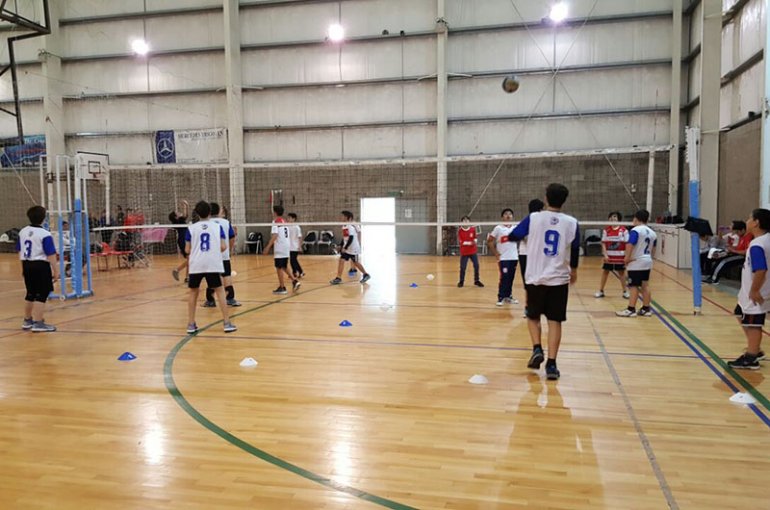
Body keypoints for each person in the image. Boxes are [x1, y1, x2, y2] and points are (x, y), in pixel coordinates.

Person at [507, 183, 580, 380]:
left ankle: (537, 348)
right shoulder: (572, 222)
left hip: (535, 277)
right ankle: (552, 364)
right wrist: (573, 270)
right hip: (558, 279)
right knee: (555, 321)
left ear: (546, 198)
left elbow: (513, 235)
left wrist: (528, 238)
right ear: (564, 200)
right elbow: (575, 248)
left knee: (533, 316)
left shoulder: (533, 218)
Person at [184, 200, 236, 334]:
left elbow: (187, 250)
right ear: (210, 213)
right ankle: (226, 323)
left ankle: (190, 324)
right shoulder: (217, 227)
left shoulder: (191, 228)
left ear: (197, 213)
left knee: (193, 293)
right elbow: (224, 246)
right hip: (212, 263)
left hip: (196, 264)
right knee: (219, 291)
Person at [728, 208, 770, 369]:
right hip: (750, 290)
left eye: (749, 218)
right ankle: (755, 348)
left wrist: (754, 290)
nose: (747, 221)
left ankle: (752, 357)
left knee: (754, 324)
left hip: (756, 291)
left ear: (756, 222)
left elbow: (761, 269)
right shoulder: (765, 240)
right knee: (739, 312)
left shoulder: (757, 244)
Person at [17, 205, 59, 332]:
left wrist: (22, 267)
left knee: (30, 293)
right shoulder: (44, 234)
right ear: (43, 218)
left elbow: (20, 250)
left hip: (27, 264)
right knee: (42, 294)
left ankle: (27, 320)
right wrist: (56, 270)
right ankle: (38, 323)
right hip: (40, 265)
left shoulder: (22, 231)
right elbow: (50, 253)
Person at [616, 210, 657, 318]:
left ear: (635, 218)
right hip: (647, 260)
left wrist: (627, 258)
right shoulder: (652, 232)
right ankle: (646, 308)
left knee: (633, 285)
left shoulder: (635, 231)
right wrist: (649, 258)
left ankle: (631, 309)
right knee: (645, 284)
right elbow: (654, 248)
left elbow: (630, 244)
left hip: (636, 261)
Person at [204, 202, 240, 307]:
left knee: (211, 277)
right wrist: (230, 249)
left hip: (210, 256)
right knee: (226, 275)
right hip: (224, 254)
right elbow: (232, 237)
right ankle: (230, 298)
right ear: (219, 211)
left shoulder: (205, 223)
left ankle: (210, 300)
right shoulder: (225, 222)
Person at [263, 205, 300, 295]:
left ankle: (282, 287)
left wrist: (267, 247)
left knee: (279, 267)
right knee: (284, 265)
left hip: (280, 247)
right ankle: (294, 281)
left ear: (275, 212)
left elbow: (275, 235)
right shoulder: (284, 221)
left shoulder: (275, 221)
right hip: (286, 246)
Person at [487, 208, 519, 306]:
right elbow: (490, 241)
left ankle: (508, 296)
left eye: (510, 214)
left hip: (514, 257)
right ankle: (501, 297)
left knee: (511, 277)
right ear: (502, 217)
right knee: (504, 277)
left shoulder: (516, 227)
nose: (508, 215)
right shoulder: (498, 228)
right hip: (503, 258)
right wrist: (496, 253)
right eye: (506, 214)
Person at [595, 211, 630, 299]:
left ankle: (625, 291)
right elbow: (603, 243)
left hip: (620, 257)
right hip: (609, 257)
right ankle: (601, 291)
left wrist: (626, 256)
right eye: (611, 217)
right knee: (605, 272)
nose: (612, 218)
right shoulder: (606, 230)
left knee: (621, 273)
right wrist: (605, 255)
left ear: (619, 219)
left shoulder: (624, 230)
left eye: (614, 217)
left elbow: (627, 244)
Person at [330, 210, 371, 285]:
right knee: (341, 260)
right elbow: (345, 238)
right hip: (347, 248)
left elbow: (351, 238)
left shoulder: (350, 226)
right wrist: (341, 245)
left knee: (356, 263)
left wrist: (345, 247)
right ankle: (338, 278)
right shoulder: (344, 226)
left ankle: (366, 274)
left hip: (353, 248)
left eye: (342, 216)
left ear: (346, 217)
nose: (340, 217)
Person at [457, 216, 483, 288]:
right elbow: (461, 242)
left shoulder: (472, 229)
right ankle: (461, 281)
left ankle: (476, 281)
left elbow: (475, 238)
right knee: (463, 267)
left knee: (476, 265)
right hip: (464, 252)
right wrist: (469, 243)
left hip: (473, 251)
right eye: (464, 220)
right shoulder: (460, 231)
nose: (466, 222)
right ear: (461, 222)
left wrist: (474, 241)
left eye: (467, 220)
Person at [170, 200, 189, 282]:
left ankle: (187, 277)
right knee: (190, 259)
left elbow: (185, 215)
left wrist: (186, 206)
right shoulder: (179, 221)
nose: (178, 212)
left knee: (190, 259)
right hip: (183, 240)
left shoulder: (179, 220)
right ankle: (177, 270)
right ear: (176, 217)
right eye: (177, 212)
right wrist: (186, 205)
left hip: (184, 239)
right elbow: (185, 215)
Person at [287, 213, 305, 278]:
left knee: (293, 260)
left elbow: (300, 237)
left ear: (293, 219)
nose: (288, 219)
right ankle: (294, 273)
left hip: (295, 247)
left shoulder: (297, 227)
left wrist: (300, 246)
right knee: (291, 261)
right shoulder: (287, 226)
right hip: (289, 247)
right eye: (288, 217)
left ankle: (301, 271)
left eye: (289, 218)